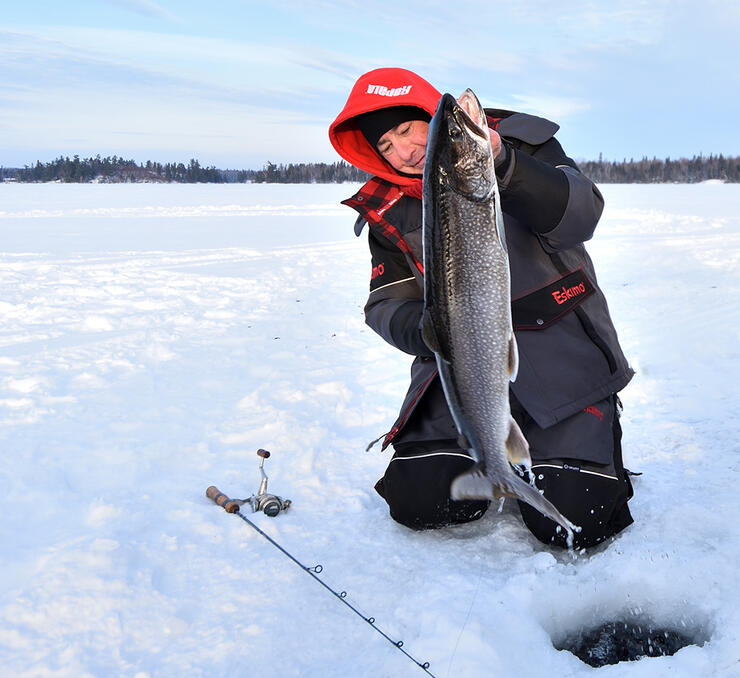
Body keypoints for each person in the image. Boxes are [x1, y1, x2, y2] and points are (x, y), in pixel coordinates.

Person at [328, 67, 635, 549]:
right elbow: (385, 303)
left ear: (429, 121)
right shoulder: (387, 210)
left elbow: (582, 215)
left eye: (408, 130)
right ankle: (493, 459)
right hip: (461, 365)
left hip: (562, 355)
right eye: (385, 145)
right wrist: (431, 328)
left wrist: (505, 163)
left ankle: (580, 452)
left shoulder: (522, 147)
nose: (404, 151)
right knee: (421, 500)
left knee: (578, 518)